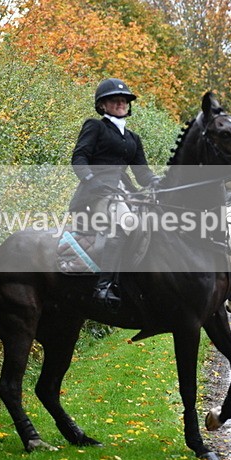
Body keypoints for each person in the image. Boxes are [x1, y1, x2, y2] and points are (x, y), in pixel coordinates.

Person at [69, 78, 160, 308]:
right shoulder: (95, 126)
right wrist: (91, 180)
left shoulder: (132, 138)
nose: (120, 103)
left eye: (124, 100)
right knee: (126, 222)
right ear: (103, 105)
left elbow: (143, 174)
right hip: (97, 193)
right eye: (114, 100)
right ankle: (104, 286)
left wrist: (159, 182)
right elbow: (79, 158)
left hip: (124, 190)